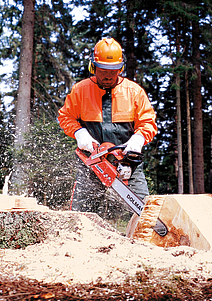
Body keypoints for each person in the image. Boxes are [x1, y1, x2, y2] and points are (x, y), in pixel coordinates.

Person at [58, 37, 157, 221]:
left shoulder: (134, 92)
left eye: (113, 71)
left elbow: (148, 122)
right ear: (93, 67)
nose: (108, 76)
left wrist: (138, 140)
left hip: (128, 162)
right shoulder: (81, 90)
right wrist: (79, 132)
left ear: (120, 68)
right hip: (93, 162)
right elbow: (66, 117)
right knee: (81, 217)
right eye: (103, 71)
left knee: (144, 216)